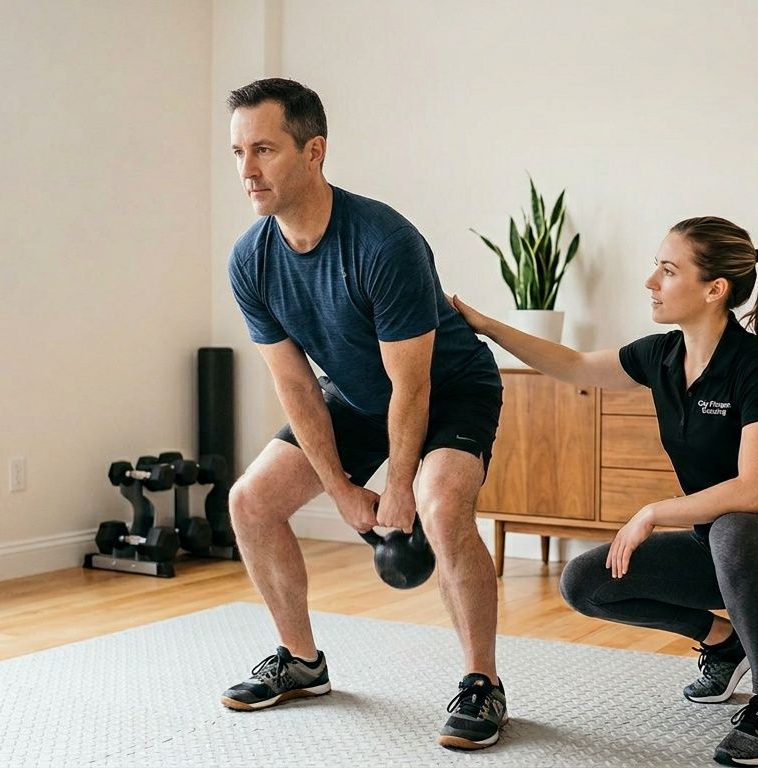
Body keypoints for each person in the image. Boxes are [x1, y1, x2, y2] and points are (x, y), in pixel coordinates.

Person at [454, 217, 758, 766]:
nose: (650, 282)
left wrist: (654, 511)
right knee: (586, 581)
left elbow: (755, 491)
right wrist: (484, 324)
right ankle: (723, 642)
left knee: (735, 527)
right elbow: (571, 364)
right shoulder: (660, 356)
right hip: (722, 549)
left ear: (715, 290)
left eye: (667, 270)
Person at [221, 78, 508, 750]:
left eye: (264, 149)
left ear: (313, 150)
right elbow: (296, 386)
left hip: (449, 390)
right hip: (352, 392)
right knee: (250, 501)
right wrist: (346, 491)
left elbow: (412, 388)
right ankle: (301, 661)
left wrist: (399, 487)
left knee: (440, 509)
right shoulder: (250, 259)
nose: (247, 170)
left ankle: (480, 683)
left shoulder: (383, 242)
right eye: (237, 152)